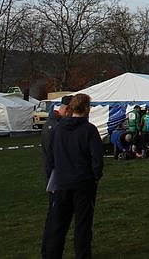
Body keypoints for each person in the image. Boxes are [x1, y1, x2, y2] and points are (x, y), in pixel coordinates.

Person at [44, 93, 104, 259]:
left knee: (58, 226)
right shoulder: (89, 130)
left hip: (61, 182)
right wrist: (95, 176)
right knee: (82, 226)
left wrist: (51, 178)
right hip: (83, 183)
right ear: (86, 108)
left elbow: (50, 158)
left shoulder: (58, 129)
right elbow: (97, 159)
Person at [40, 95, 72, 259]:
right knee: (55, 219)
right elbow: (52, 155)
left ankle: (49, 251)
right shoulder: (54, 127)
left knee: (56, 218)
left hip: (57, 176)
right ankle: (49, 253)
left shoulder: (54, 124)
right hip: (56, 178)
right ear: (66, 109)